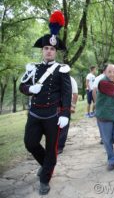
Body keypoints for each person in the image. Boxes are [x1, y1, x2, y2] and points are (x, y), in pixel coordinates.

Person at [19, 10, 71, 195]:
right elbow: (22, 86)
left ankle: (45, 178)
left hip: (53, 116)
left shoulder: (62, 69)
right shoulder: (33, 68)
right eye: (46, 48)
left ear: (55, 52)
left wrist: (65, 114)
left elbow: (66, 93)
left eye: (52, 49)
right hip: (34, 114)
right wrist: (28, 89)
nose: (49, 51)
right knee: (30, 143)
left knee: (52, 149)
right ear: (42, 50)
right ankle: (47, 165)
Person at [58, 76, 78, 154]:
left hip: (66, 105)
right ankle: (53, 145)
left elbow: (75, 94)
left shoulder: (71, 79)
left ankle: (60, 146)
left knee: (64, 126)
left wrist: (73, 106)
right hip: (54, 106)